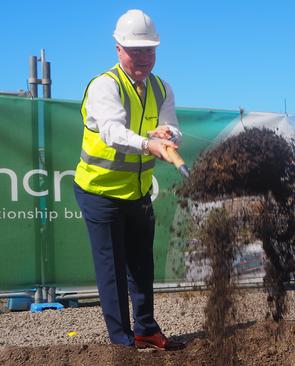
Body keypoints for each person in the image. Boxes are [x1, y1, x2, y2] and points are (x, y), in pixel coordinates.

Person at [73, 9, 184, 350]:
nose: (143, 57)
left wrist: (168, 133)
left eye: (149, 50)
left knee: (141, 264)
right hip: (99, 191)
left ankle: (146, 329)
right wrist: (150, 144)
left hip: (137, 192)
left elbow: (171, 124)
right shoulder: (104, 86)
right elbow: (112, 133)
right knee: (112, 271)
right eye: (136, 50)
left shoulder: (161, 87)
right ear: (118, 49)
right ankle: (123, 345)